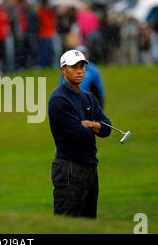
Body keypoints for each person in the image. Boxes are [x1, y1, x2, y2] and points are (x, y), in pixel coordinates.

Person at [48, 49, 112, 218]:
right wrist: (95, 127)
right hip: (69, 167)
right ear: (63, 70)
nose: (79, 71)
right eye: (74, 67)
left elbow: (107, 128)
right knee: (67, 223)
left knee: (88, 223)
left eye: (82, 66)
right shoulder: (58, 99)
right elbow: (76, 134)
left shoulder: (89, 97)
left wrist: (91, 124)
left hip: (90, 167)